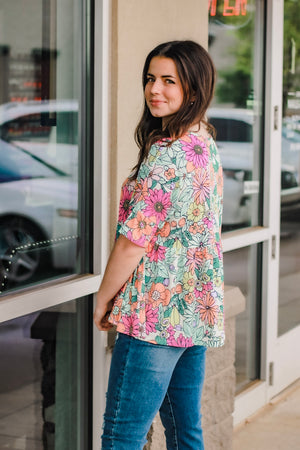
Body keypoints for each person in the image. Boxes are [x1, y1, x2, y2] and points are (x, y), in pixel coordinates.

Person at [94, 40, 224, 450]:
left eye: (169, 81)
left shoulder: (166, 155)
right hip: (191, 315)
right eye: (151, 78)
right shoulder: (205, 143)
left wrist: (103, 297)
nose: (155, 89)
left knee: (121, 436)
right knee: (186, 433)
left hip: (153, 315)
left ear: (194, 89)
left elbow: (134, 241)